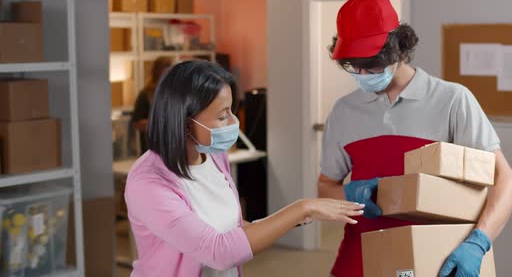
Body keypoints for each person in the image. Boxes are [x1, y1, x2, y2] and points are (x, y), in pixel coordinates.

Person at [317, 0, 512, 277]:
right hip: (360, 258)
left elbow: (508, 183)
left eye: (373, 63)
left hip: (433, 259)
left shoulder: (452, 100)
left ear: (399, 48)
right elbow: (326, 187)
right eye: (353, 64)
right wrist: (350, 194)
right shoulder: (343, 111)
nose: (362, 72)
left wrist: (478, 242)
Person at [125, 60, 364, 277]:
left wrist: (306, 214)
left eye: (232, 110)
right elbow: (219, 251)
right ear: (185, 123)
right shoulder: (149, 183)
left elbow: (235, 230)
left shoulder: (214, 155)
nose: (233, 122)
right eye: (222, 115)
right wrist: (302, 208)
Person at [131, 56, 173, 154]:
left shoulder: (174, 93)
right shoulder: (145, 94)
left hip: (172, 149)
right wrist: (159, 122)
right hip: (152, 149)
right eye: (164, 72)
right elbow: (137, 124)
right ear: (156, 72)